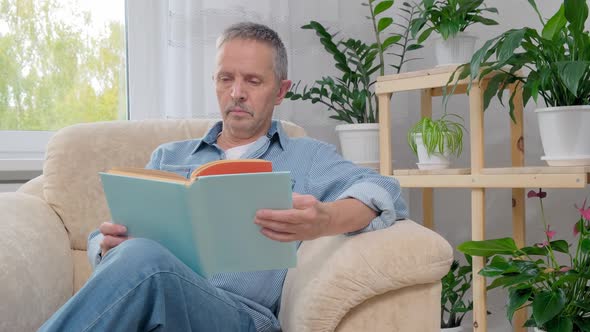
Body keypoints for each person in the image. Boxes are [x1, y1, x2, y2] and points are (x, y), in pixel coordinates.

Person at [40, 22, 408, 332]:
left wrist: (326, 219)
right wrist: (104, 246)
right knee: (139, 255)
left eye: (252, 81)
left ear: (280, 90)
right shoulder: (170, 156)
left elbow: (385, 190)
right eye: (225, 78)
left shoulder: (305, 155)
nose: (236, 93)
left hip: (240, 317)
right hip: (158, 304)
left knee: (145, 260)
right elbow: (108, 237)